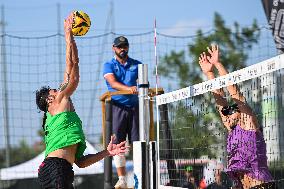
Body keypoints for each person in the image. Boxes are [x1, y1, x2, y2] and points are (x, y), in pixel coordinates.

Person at [36, 13, 128, 189]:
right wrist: (68, 35)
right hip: (56, 168)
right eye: (55, 90)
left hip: (61, 169)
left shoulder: (60, 112)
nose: (59, 88)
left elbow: (81, 162)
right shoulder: (57, 103)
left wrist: (107, 152)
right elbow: (73, 77)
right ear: (49, 99)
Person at [198, 44, 276, 189]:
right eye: (228, 112)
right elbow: (220, 100)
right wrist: (209, 73)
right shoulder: (232, 129)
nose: (228, 114)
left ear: (240, 113)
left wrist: (218, 64)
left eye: (232, 110)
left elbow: (234, 91)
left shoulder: (249, 122)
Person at [103, 35, 141, 188]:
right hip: (117, 107)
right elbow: (112, 82)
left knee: (138, 144)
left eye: (125, 46)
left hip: (135, 108)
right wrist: (130, 89)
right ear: (114, 48)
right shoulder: (108, 64)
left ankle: (139, 179)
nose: (122, 49)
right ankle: (122, 180)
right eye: (119, 47)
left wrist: (141, 88)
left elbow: (144, 84)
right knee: (118, 143)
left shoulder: (137, 64)